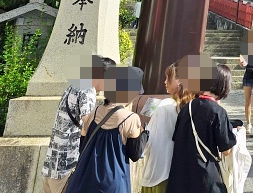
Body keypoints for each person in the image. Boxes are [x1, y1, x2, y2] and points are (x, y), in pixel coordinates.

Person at [41, 56, 115, 193]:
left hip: (51, 164)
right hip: (66, 165)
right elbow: (88, 122)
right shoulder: (88, 90)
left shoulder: (74, 85)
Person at [67, 66, 146, 193]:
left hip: (86, 180)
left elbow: (82, 145)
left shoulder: (94, 112)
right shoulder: (131, 118)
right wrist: (143, 133)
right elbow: (135, 154)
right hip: (114, 184)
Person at [168, 63, 244, 193]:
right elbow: (226, 150)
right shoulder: (218, 112)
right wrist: (237, 135)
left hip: (181, 176)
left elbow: (177, 138)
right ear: (224, 86)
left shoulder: (188, 107)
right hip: (205, 177)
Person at [140, 63, 183, 193]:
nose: (165, 82)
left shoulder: (164, 105)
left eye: (168, 78)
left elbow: (150, 139)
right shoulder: (192, 105)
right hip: (180, 169)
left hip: (159, 167)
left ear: (179, 81)